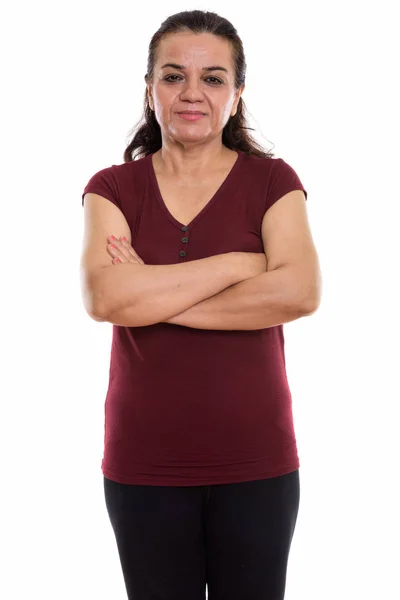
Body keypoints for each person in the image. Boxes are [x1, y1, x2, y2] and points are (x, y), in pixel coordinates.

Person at [80, 9, 321, 600]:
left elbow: (299, 292)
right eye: (172, 75)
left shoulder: (272, 181)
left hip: (257, 462)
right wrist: (240, 267)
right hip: (143, 463)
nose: (192, 93)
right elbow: (106, 295)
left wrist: (153, 295)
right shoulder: (112, 188)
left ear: (237, 95)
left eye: (213, 78)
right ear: (149, 90)